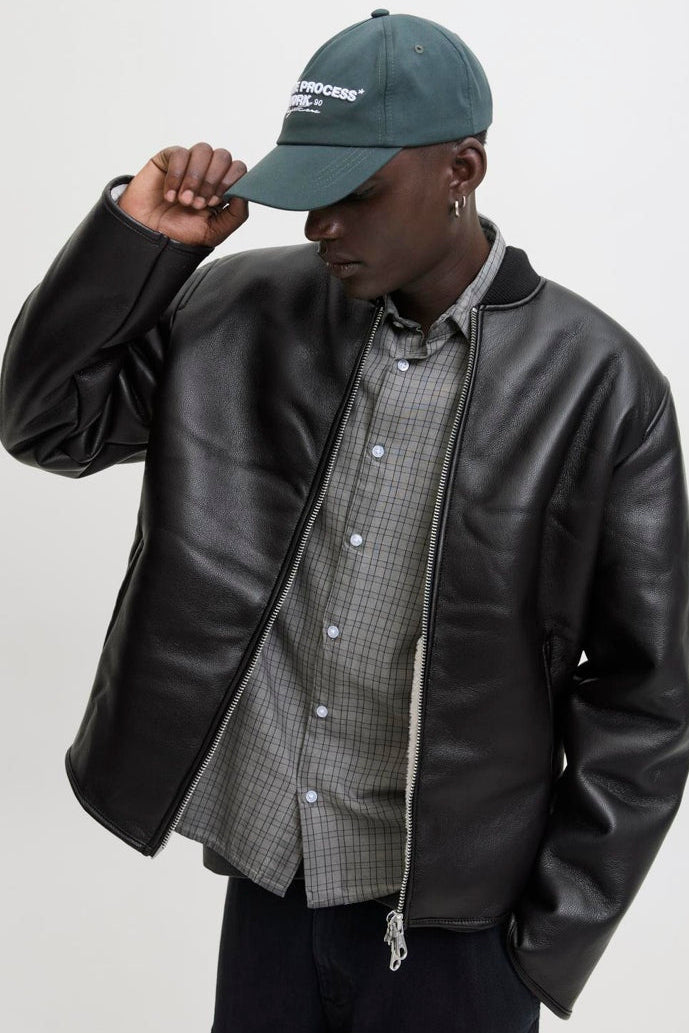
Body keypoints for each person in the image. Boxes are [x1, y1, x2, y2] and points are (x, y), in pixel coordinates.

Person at [2, 9, 689, 1032]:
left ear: (462, 169)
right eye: (307, 193)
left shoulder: (599, 385)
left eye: (354, 194)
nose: (320, 225)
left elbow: (645, 694)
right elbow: (46, 422)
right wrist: (140, 247)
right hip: (271, 882)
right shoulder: (238, 310)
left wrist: (545, 938)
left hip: (462, 928)